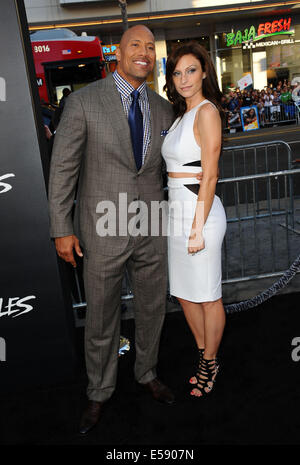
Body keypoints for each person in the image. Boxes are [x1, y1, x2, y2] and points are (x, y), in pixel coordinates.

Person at [48, 25, 176, 435]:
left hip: (151, 223)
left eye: (150, 47)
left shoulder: (162, 108)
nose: (144, 52)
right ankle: (99, 391)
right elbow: (63, 168)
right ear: (116, 54)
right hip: (102, 225)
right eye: (134, 45)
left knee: (152, 307)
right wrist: (60, 228)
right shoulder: (84, 102)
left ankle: (147, 372)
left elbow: (161, 170)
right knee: (102, 315)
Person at [162, 42, 227, 397]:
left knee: (207, 295)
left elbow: (211, 175)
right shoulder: (180, 116)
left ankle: (208, 362)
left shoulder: (206, 112)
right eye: (177, 72)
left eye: (190, 70)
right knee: (186, 295)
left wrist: (197, 228)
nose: (184, 78)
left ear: (204, 71)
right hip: (176, 213)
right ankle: (207, 355)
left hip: (199, 213)